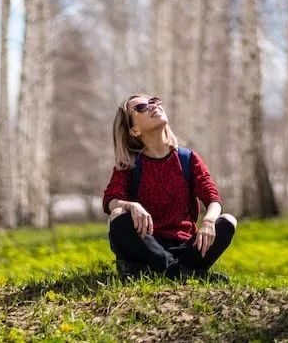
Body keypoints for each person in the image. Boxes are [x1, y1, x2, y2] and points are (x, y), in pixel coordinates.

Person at [102, 94, 237, 282]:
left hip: (185, 247)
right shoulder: (129, 164)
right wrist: (132, 206)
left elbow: (212, 198)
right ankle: (184, 273)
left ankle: (163, 271)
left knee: (228, 221)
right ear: (134, 130)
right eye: (141, 107)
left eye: (153, 101)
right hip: (147, 244)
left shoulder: (188, 159)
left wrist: (208, 221)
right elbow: (110, 200)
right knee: (118, 216)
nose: (152, 106)